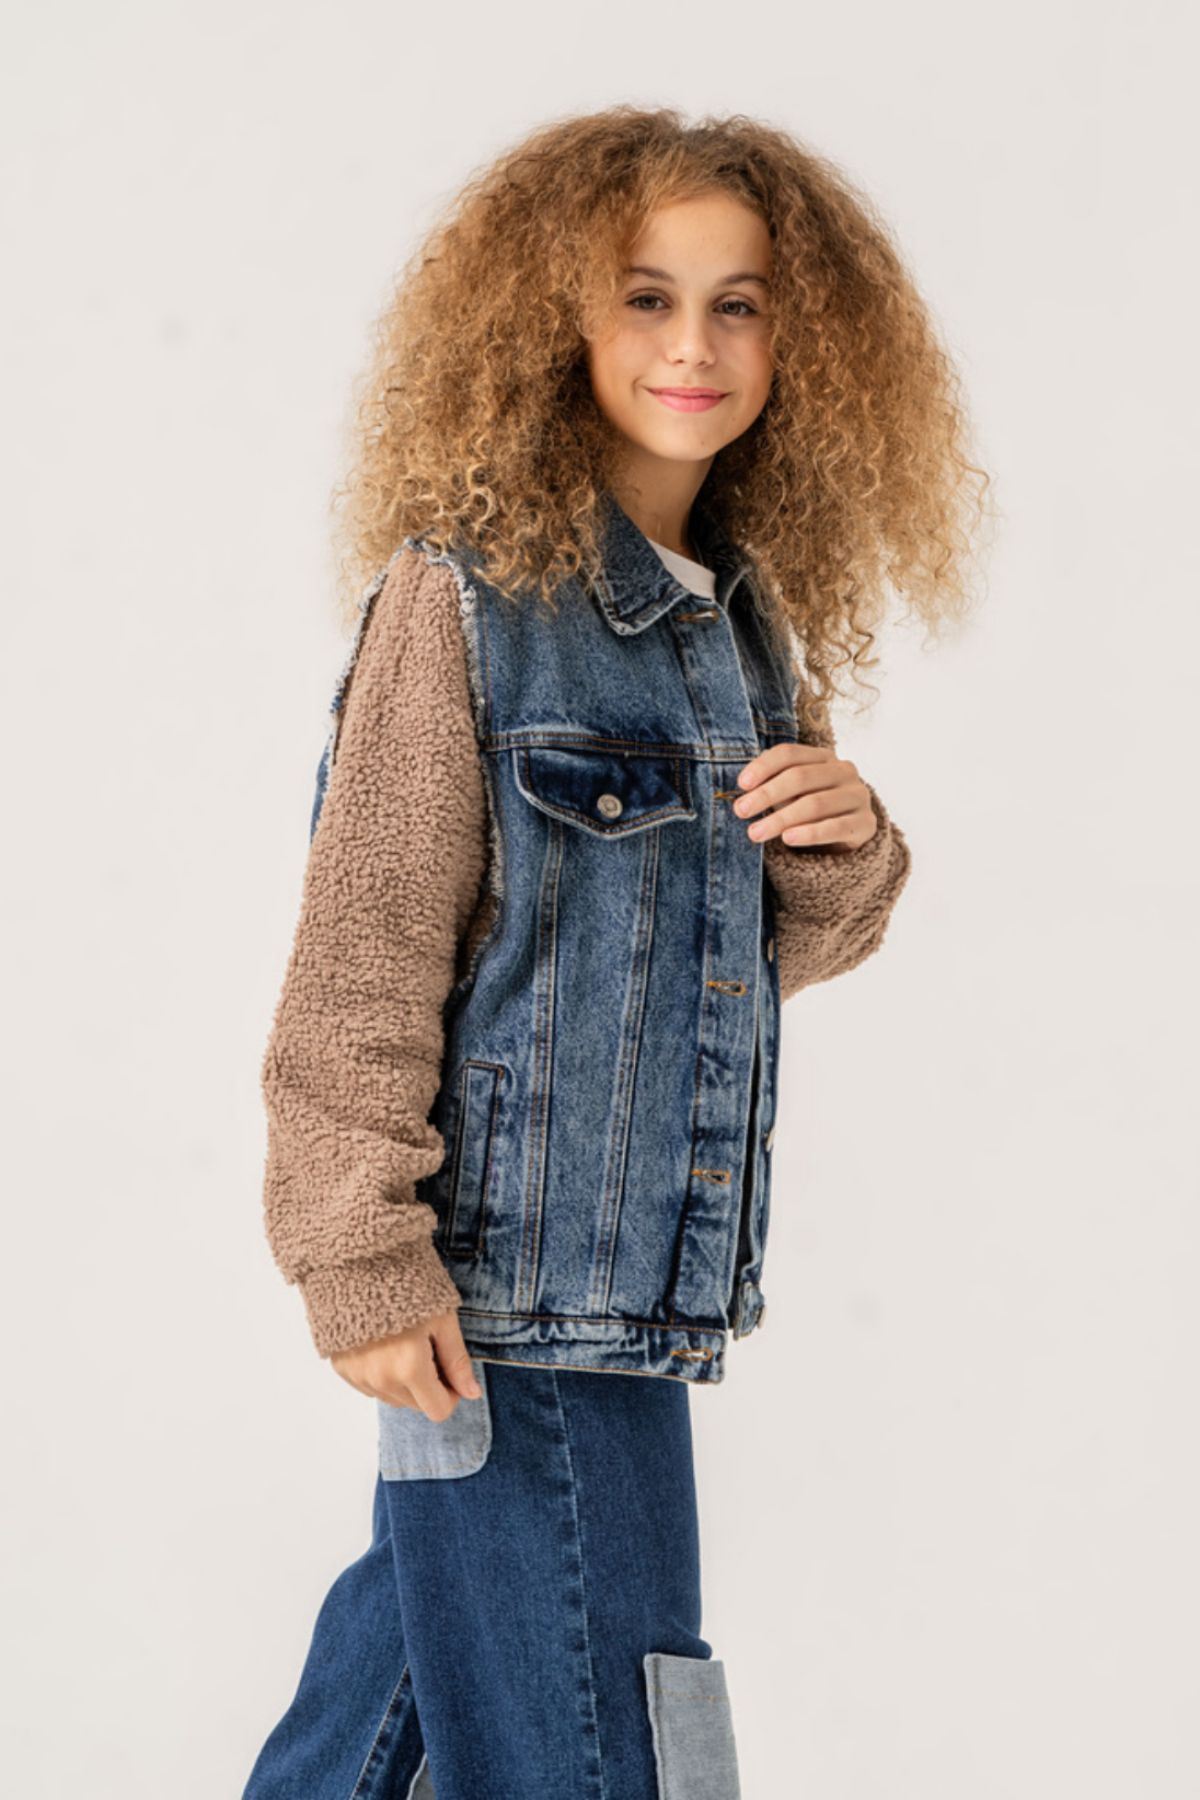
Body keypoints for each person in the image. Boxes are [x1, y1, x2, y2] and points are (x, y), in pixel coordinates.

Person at [242, 104, 989, 1800]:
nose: (694, 345)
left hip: (630, 1294)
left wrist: (848, 847)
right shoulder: (465, 603)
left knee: (391, 1725)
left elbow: (713, 968)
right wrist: (357, 1258)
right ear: (554, 324)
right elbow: (363, 956)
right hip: (510, 1296)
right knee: (615, 1751)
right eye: (646, 297)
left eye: (739, 304)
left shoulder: (740, 626)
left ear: (802, 341)